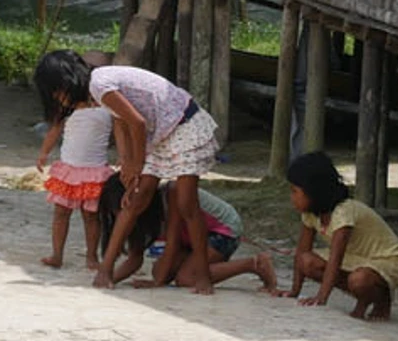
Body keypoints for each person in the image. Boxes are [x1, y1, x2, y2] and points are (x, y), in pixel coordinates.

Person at [30, 50, 220, 290]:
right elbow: (123, 120)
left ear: (65, 83)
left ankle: (203, 277)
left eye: (55, 93)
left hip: (183, 124)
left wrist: (135, 166)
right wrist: (129, 163)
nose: (57, 99)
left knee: (186, 203)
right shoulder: (96, 91)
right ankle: (106, 271)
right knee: (135, 198)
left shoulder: (100, 85)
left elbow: (137, 123)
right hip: (159, 132)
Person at [283, 152, 398, 321]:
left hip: (385, 259)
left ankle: (379, 300)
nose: (292, 198)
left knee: (360, 280)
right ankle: (366, 296)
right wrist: (294, 291)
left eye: (295, 191)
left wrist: (321, 298)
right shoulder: (310, 215)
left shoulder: (343, 212)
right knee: (307, 261)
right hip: (354, 259)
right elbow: (301, 252)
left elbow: (336, 259)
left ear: (313, 191)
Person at [101, 178, 279, 294]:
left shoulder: (171, 193)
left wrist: (158, 283)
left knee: (186, 279)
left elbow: (173, 242)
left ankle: (254, 263)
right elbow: (135, 258)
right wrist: (111, 279)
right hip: (190, 240)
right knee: (159, 270)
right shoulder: (139, 220)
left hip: (223, 231)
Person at [35, 104, 114, 270]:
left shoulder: (108, 108)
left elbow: (121, 133)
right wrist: (44, 153)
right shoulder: (66, 109)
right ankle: (57, 255)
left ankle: (91, 257)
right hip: (68, 170)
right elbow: (55, 130)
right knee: (61, 213)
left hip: (95, 171)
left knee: (91, 216)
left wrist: (125, 156)